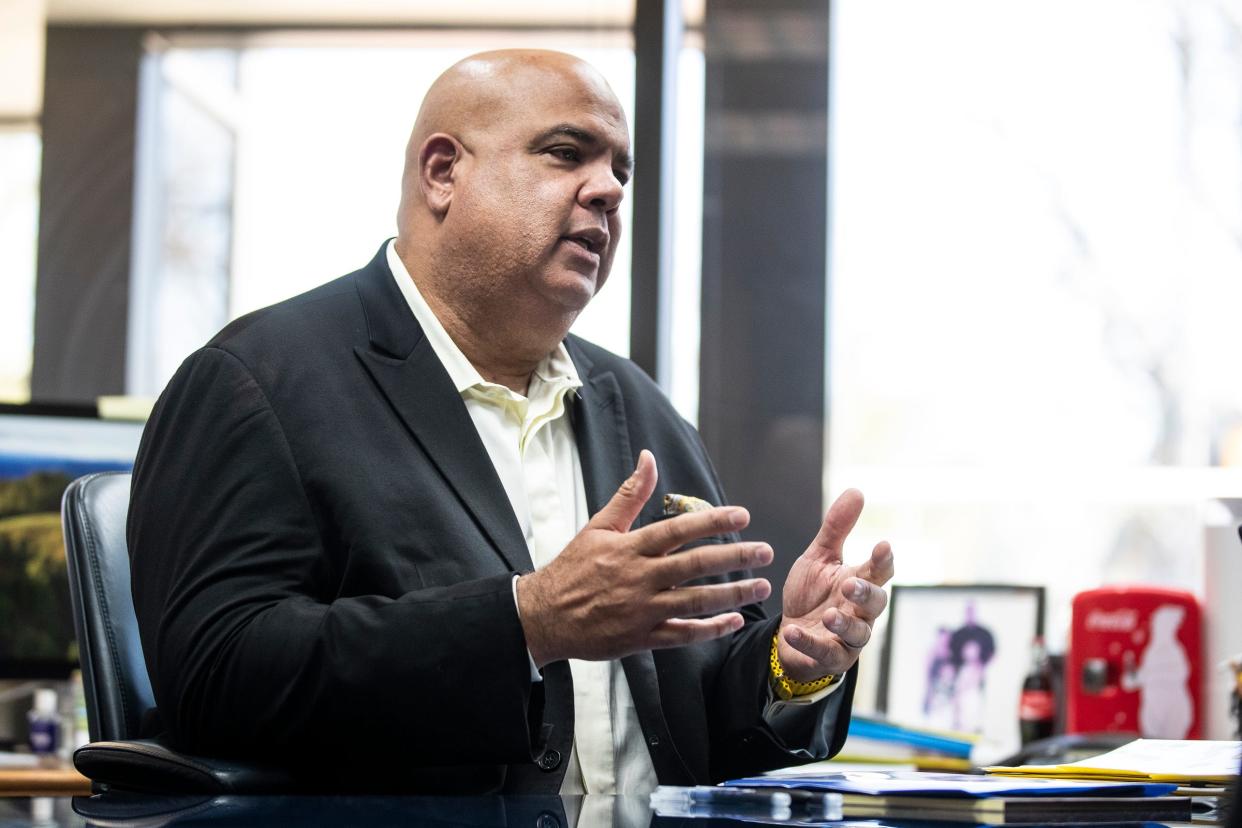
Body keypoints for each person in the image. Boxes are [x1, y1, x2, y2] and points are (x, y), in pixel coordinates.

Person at [127, 49, 894, 794]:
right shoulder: (259, 382)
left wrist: (793, 661)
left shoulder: (640, 409)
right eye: (567, 153)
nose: (608, 191)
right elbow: (214, 676)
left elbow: (701, 727)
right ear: (442, 172)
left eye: (621, 171)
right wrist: (527, 622)